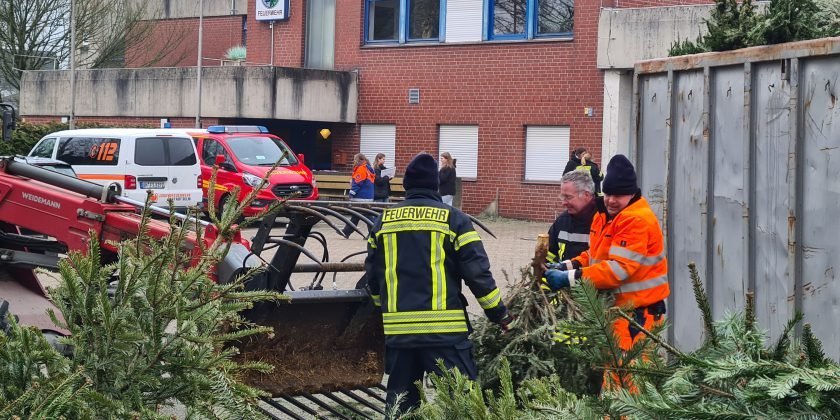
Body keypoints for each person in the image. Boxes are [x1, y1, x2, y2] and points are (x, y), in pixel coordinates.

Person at [365, 153, 514, 416]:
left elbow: (374, 279)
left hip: (399, 335)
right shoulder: (454, 220)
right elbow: (478, 274)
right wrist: (499, 314)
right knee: (463, 405)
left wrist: (381, 310)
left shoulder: (382, 222)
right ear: (435, 186)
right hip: (444, 334)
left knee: (400, 406)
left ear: (406, 185)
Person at [542, 154, 669, 390]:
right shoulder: (605, 215)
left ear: (632, 194)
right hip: (617, 312)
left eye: (617, 195)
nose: (611, 200)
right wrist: (569, 264)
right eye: (608, 194)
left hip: (638, 318)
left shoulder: (636, 220)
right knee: (613, 380)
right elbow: (596, 255)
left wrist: (570, 278)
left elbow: (618, 270)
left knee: (630, 385)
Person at [546, 170, 597, 265]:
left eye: (568, 197)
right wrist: (547, 274)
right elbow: (549, 255)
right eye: (562, 197)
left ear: (586, 195)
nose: (563, 203)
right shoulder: (562, 221)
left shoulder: (604, 222)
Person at [341, 153, 375, 238]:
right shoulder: (368, 168)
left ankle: (374, 232)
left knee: (366, 216)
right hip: (368, 196)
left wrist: (351, 193)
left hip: (360, 197)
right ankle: (346, 232)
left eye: (354, 159)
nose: (353, 161)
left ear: (359, 160)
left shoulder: (361, 169)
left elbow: (357, 182)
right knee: (357, 215)